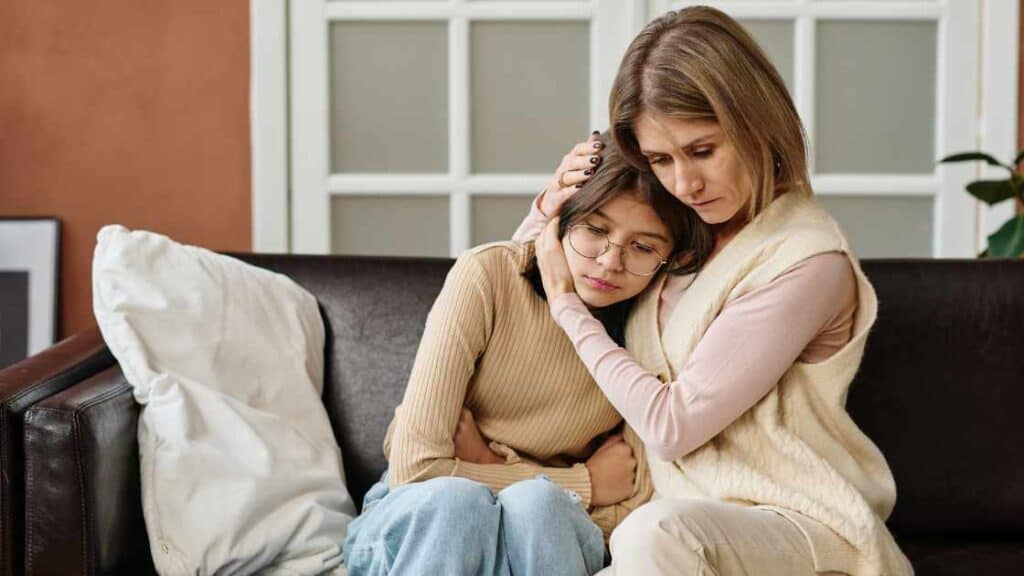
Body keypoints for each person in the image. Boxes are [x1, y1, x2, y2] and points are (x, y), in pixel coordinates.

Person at [511, 6, 915, 575]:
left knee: (653, 534)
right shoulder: (674, 232)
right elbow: (517, 291)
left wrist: (569, 309)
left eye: (702, 151)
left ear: (755, 120)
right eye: (660, 159)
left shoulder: (808, 262)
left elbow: (672, 427)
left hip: (795, 528)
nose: (684, 182)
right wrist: (549, 208)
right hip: (673, 538)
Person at [342, 135, 707, 576]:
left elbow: (629, 506)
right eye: (595, 230)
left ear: (668, 259)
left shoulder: (650, 330)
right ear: (560, 221)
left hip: (546, 533)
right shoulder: (488, 275)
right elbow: (416, 468)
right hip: (427, 523)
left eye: (643, 247)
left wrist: (485, 463)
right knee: (457, 503)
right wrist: (585, 482)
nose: (611, 262)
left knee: (538, 507)